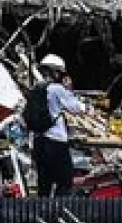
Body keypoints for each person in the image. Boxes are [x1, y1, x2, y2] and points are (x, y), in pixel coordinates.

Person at [26, 53, 86, 196]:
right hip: (56, 142)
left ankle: (42, 213)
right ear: (55, 72)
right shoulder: (57, 89)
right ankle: (58, 213)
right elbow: (77, 108)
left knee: (44, 184)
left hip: (38, 142)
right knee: (64, 181)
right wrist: (69, 89)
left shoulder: (35, 89)